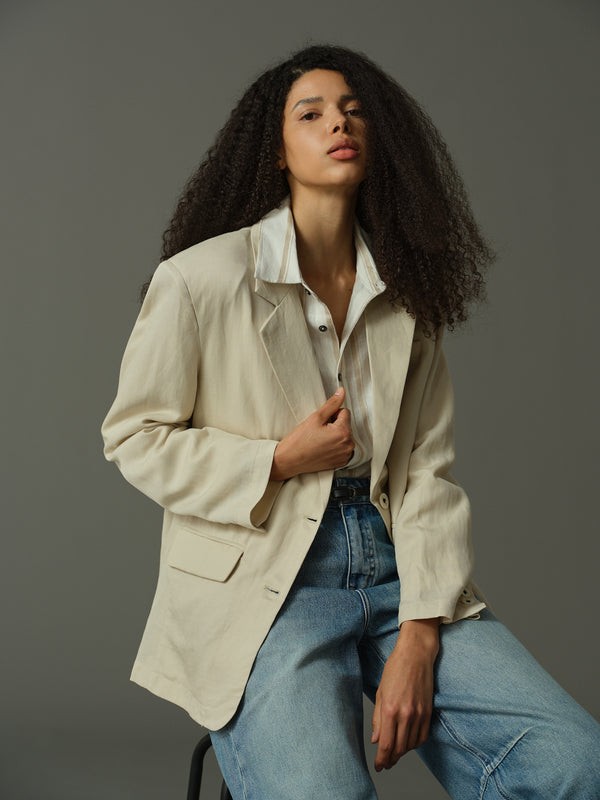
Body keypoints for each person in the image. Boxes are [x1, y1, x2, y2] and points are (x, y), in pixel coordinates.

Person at [101, 44, 600, 800]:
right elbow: (133, 437)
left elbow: (426, 472)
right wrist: (276, 460)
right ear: (276, 150)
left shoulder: (406, 295)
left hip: (397, 562)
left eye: (354, 111)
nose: (339, 123)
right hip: (266, 579)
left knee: (576, 762)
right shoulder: (200, 280)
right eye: (312, 114)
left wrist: (421, 634)